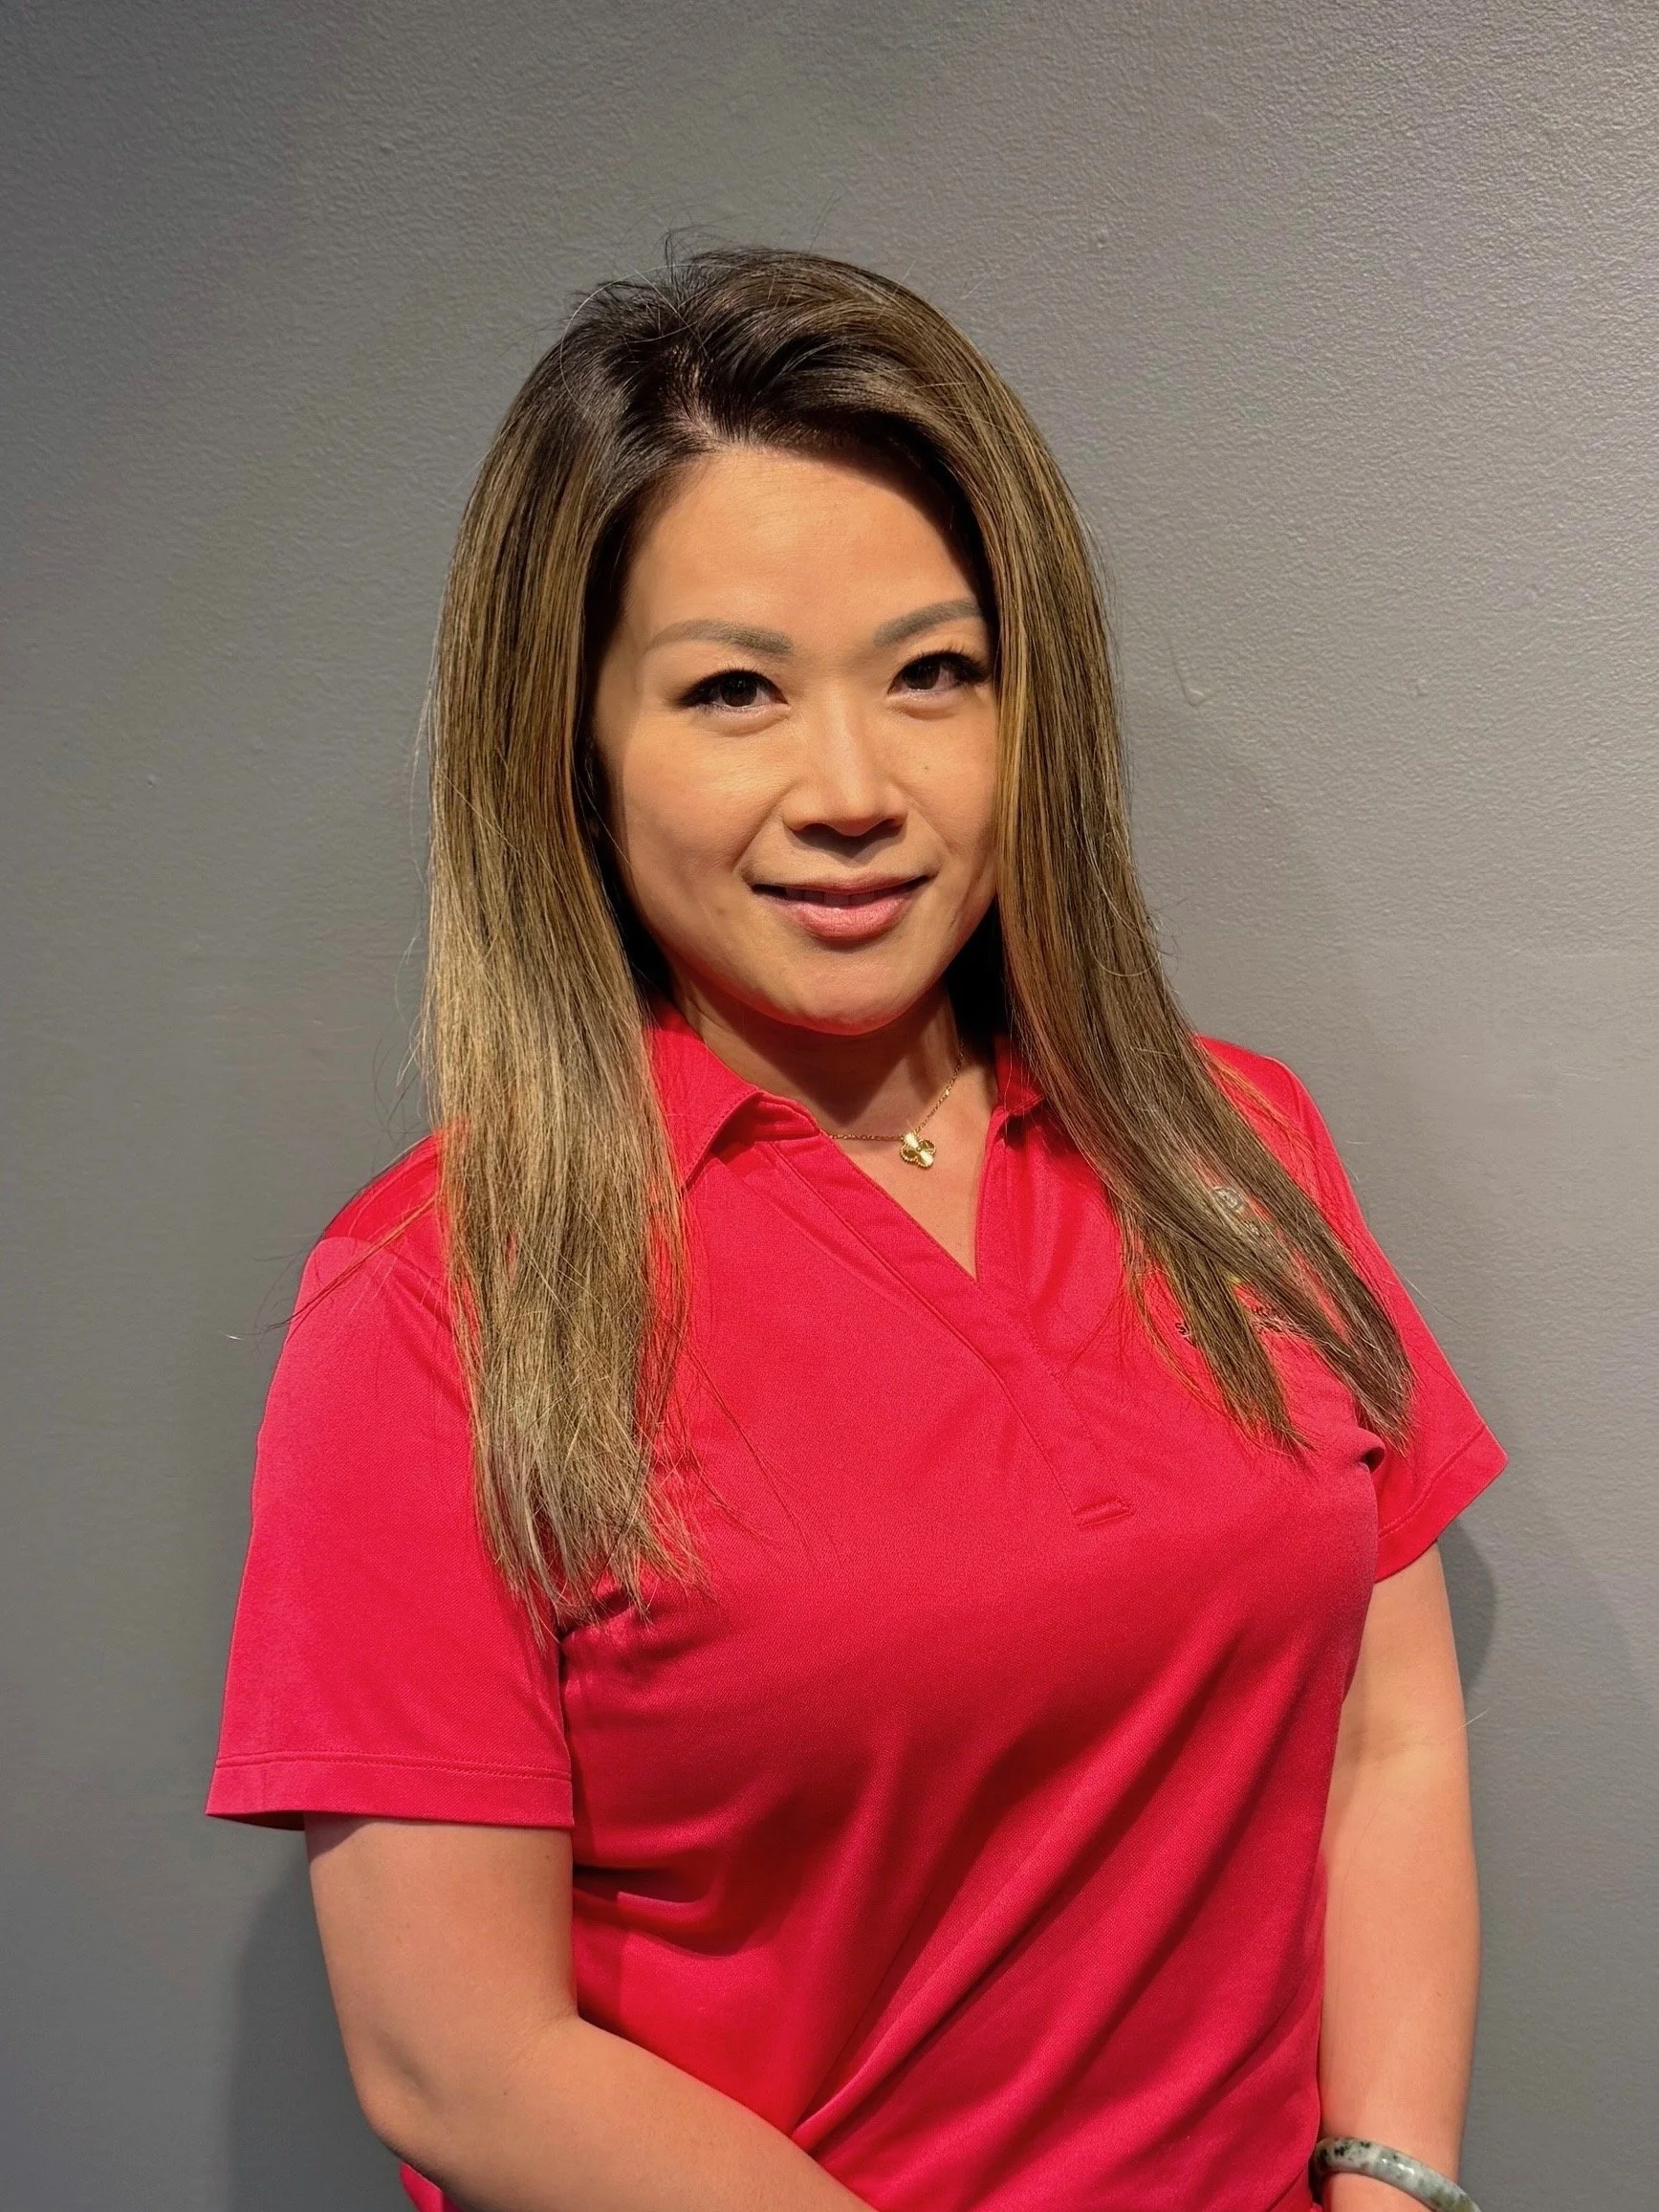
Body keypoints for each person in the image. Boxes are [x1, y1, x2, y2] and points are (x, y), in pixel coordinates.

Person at [207, 244, 1507, 2212]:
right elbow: (454, 2062)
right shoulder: (434, 1306)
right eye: (733, 690)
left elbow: (1383, 1729)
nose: (852, 789)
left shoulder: (1231, 1146)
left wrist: (1389, 2181)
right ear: (574, 749)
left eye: (932, 675)